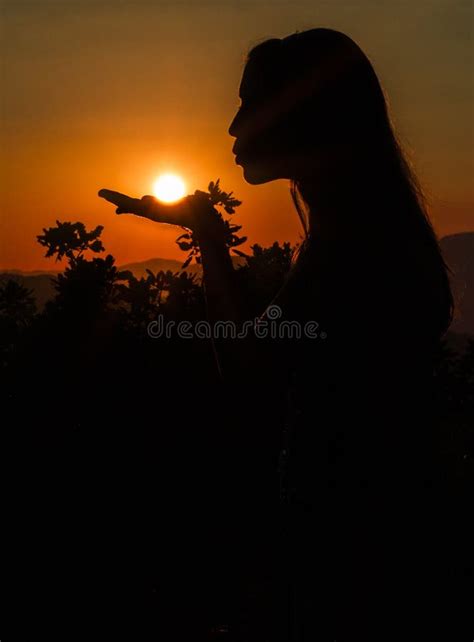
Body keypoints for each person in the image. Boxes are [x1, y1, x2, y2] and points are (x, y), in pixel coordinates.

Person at [99, 28, 456, 640]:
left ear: (308, 114)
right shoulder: (364, 231)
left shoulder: (352, 249)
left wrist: (209, 240)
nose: (235, 128)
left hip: (353, 563)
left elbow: (247, 374)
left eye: (251, 104)